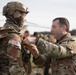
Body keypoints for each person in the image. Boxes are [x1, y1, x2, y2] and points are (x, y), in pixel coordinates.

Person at [0, 1, 29, 75]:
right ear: (17, 14)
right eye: (24, 15)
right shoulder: (14, 37)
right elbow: (16, 69)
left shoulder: (3, 32)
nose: (25, 19)